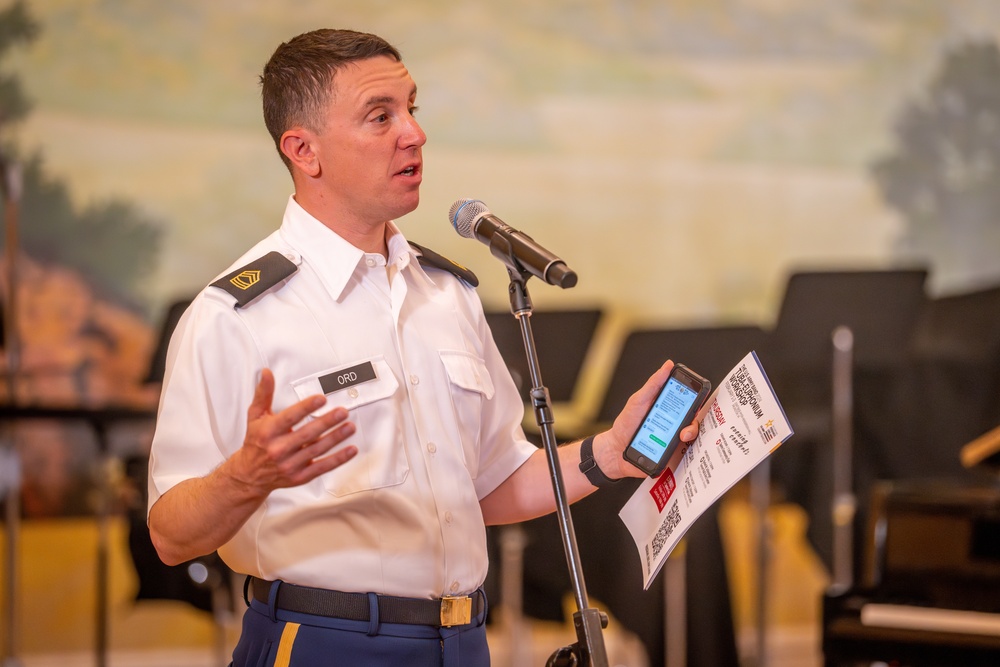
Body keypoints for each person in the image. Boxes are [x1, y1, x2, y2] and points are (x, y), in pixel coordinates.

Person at [146, 28, 699, 666]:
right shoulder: (236, 316)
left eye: (412, 108)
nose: (414, 133)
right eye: (381, 116)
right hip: (327, 642)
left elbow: (490, 483)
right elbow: (169, 534)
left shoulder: (446, 293)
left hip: (463, 641)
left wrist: (610, 453)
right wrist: (247, 478)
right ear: (305, 150)